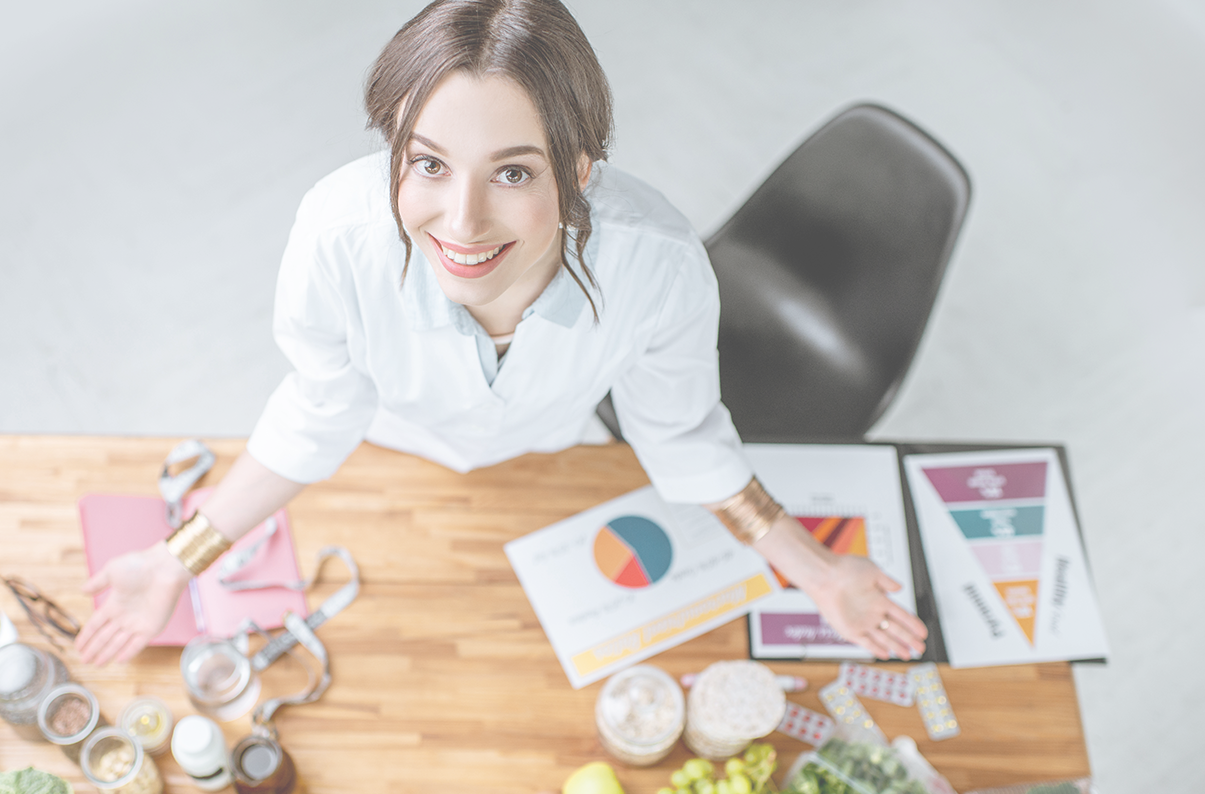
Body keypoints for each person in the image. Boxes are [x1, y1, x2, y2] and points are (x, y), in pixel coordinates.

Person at [74, 0, 927, 667]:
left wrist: (816, 573)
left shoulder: (655, 268)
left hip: (554, 448)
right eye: (428, 164)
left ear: (580, 171)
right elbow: (319, 411)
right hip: (398, 440)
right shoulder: (335, 240)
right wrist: (171, 562)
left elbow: (679, 434)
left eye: (513, 172)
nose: (462, 221)